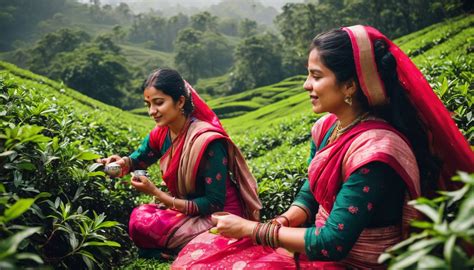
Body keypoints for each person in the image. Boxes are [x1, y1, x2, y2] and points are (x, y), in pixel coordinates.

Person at [171, 25, 474, 269]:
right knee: (206, 249)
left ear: (350, 86)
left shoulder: (377, 151)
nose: (306, 85)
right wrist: (287, 218)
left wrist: (253, 230)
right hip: (317, 246)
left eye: (316, 76)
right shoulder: (328, 127)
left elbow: (334, 242)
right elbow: (310, 191)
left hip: (353, 262)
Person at [98, 68, 261, 258]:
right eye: (148, 104)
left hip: (219, 216)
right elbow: (138, 159)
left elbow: (214, 204)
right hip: (186, 209)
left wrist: (157, 194)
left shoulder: (207, 141)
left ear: (180, 101)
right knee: (139, 219)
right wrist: (120, 164)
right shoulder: (161, 133)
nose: (152, 111)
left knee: (215, 237)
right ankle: (180, 247)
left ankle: (186, 249)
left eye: (159, 103)